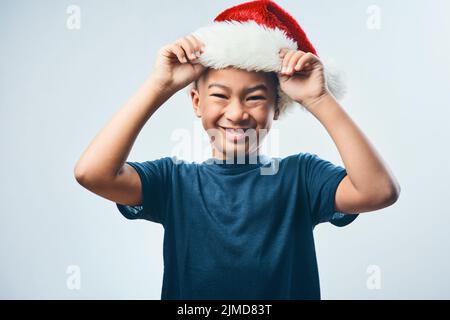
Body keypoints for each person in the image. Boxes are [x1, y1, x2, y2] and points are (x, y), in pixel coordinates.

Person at [74, 0, 400, 299]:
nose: (236, 113)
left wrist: (319, 99)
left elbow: (378, 191)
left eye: (255, 97)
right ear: (196, 102)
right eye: (219, 95)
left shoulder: (302, 176)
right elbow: (93, 173)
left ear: (277, 106)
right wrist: (159, 85)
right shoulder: (171, 181)